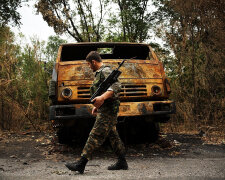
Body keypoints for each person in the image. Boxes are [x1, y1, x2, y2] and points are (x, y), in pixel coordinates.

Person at [65, 51, 128, 174]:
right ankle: (122, 161)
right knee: (112, 135)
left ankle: (81, 163)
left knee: (95, 135)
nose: (89, 67)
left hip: (109, 110)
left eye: (89, 64)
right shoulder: (100, 73)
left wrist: (102, 98)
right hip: (106, 108)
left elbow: (116, 86)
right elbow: (105, 90)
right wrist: (99, 105)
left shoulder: (105, 71)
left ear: (93, 62)